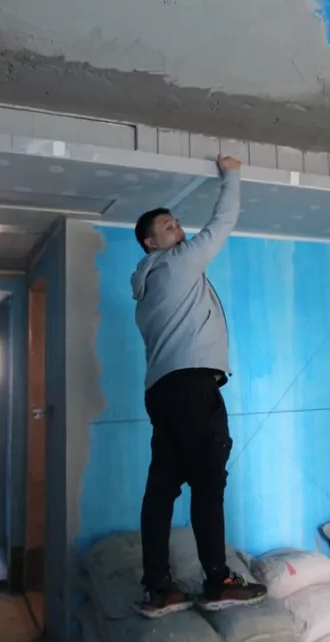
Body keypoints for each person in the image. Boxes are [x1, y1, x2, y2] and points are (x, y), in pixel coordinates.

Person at [130, 154, 267, 618]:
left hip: (162, 393)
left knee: (162, 488)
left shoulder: (145, 291)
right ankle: (218, 580)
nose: (178, 228)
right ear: (151, 243)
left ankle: (158, 587)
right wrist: (232, 173)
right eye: (168, 226)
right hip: (191, 388)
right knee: (208, 482)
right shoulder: (176, 263)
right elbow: (222, 221)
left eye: (176, 223)